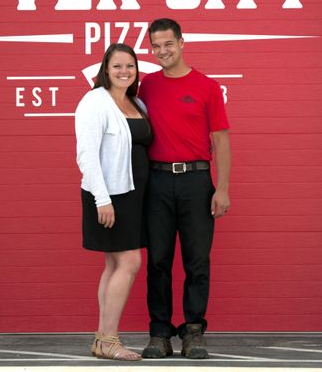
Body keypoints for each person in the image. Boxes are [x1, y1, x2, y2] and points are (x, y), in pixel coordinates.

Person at [138, 18, 231, 360]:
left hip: (196, 181)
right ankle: (159, 333)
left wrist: (221, 189)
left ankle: (194, 332)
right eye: (155, 46)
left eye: (168, 44)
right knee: (158, 261)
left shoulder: (206, 86)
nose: (162, 51)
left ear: (181, 42)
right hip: (157, 182)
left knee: (197, 261)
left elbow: (221, 141)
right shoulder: (146, 85)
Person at [75, 43, 152, 361]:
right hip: (110, 196)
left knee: (114, 264)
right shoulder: (95, 102)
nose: (124, 72)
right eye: (117, 66)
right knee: (130, 262)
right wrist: (102, 199)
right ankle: (109, 339)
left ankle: (101, 339)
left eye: (130, 66)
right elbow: (86, 155)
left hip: (133, 196)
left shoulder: (137, 102)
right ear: (105, 69)